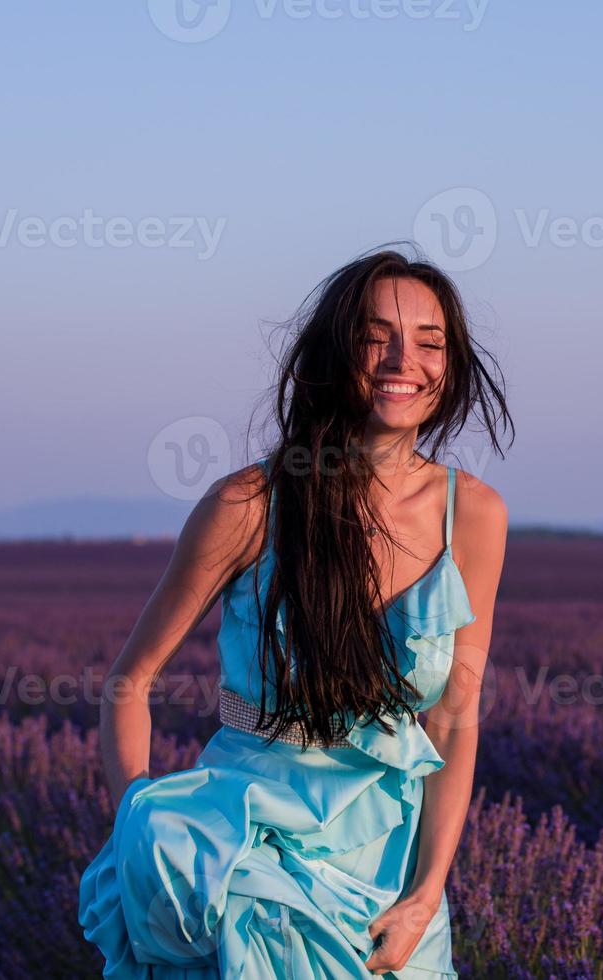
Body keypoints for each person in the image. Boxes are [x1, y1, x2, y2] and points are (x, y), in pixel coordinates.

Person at [78, 244, 513, 978]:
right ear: (330, 354)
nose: (401, 359)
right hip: (243, 854)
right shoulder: (247, 505)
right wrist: (143, 829)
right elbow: (130, 682)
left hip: (391, 875)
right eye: (375, 336)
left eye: (429, 342)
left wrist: (425, 892)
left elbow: (452, 718)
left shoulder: (470, 515)